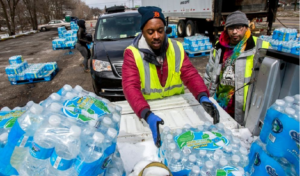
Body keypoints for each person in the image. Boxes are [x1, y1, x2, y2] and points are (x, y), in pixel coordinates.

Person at [122, 6, 220, 147]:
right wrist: (146, 114)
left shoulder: (177, 48)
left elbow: (190, 74)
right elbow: (130, 86)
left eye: (160, 31)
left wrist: (202, 96)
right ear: (143, 32)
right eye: (150, 32)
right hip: (148, 111)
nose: (156, 36)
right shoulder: (132, 53)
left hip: (177, 108)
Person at [204, 11, 269, 124]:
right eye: (231, 28)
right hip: (220, 102)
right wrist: (206, 97)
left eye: (239, 28)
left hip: (244, 106)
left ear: (246, 27)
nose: (234, 32)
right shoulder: (219, 47)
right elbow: (209, 74)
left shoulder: (259, 47)